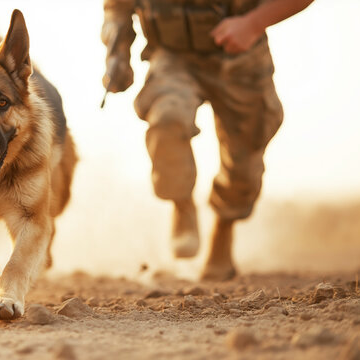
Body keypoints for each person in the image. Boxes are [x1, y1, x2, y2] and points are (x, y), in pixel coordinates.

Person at [101, 0, 313, 280]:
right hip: (173, 55)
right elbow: (116, 6)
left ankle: (222, 236)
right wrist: (118, 53)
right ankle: (182, 204)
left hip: (240, 55)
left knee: (245, 160)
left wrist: (252, 23)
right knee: (166, 119)